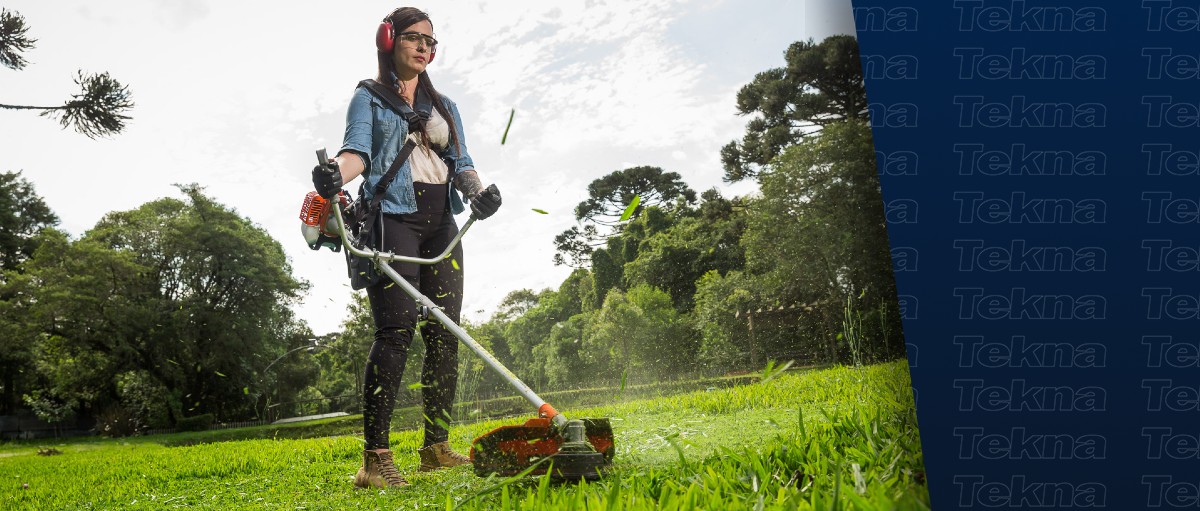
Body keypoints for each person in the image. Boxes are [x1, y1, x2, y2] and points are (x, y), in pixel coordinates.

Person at [311, 6, 502, 489]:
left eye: (431, 42)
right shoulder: (368, 98)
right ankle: (375, 458)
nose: (424, 47)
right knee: (396, 332)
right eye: (415, 38)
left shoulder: (445, 107)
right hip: (392, 218)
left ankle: (436, 447)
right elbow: (357, 153)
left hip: (441, 221)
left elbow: (462, 160)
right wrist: (336, 174)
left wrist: (479, 192)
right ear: (389, 40)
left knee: (444, 331)